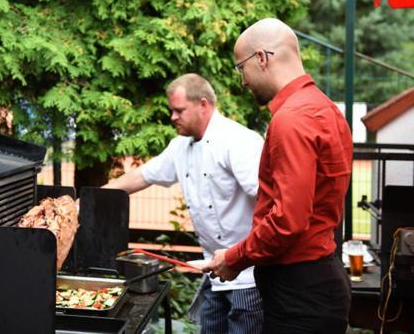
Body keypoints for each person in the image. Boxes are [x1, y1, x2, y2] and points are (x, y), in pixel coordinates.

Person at [201, 18, 353, 333]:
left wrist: (234, 257)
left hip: (298, 292)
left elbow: (288, 220)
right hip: (318, 280)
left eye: (240, 67)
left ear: (262, 58)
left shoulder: (291, 119)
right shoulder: (326, 109)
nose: (242, 81)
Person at [103, 73, 264, 334]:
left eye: (179, 110)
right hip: (215, 273)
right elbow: (140, 176)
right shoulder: (180, 147)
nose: (173, 117)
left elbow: (268, 199)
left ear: (203, 104)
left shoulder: (238, 141)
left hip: (249, 277)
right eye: (172, 110)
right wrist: (89, 199)